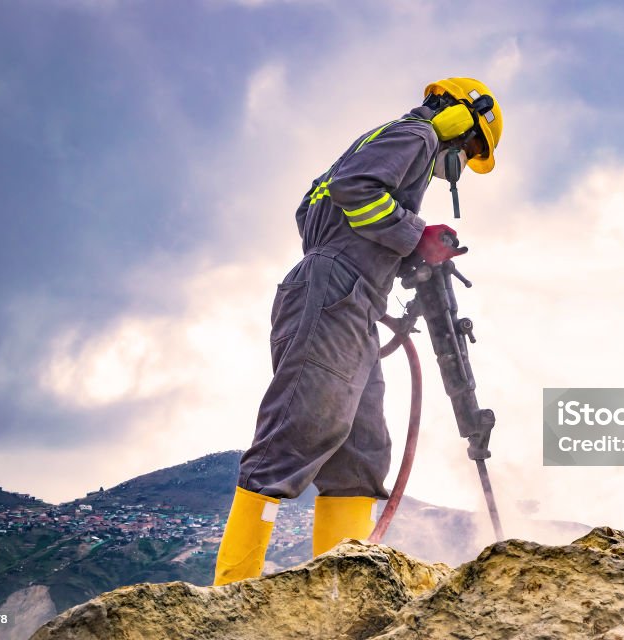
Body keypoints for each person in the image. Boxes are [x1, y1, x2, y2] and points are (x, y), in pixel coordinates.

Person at [213, 77, 504, 586]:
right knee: (299, 432)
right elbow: (355, 191)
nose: (454, 164)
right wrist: (416, 233)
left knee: (361, 453)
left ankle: (339, 594)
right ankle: (230, 594)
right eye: (468, 148)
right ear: (459, 117)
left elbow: (315, 208)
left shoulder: (384, 143)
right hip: (336, 293)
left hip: (354, 301)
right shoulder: (417, 136)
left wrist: (405, 251)